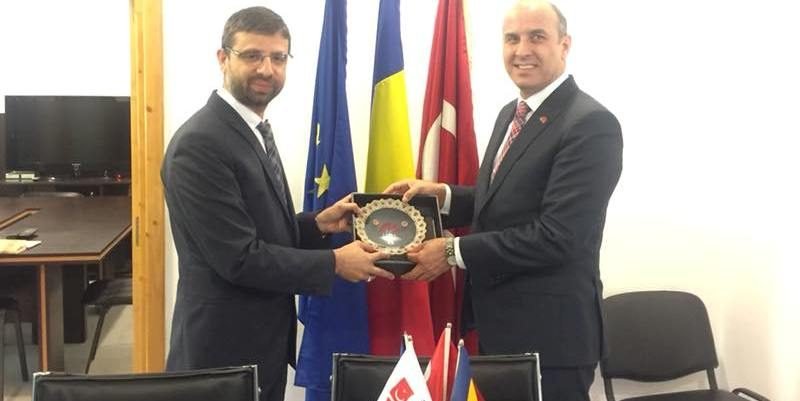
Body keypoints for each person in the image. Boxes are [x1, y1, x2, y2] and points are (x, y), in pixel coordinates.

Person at [385, 1, 623, 400]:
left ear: (564, 45)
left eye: (537, 37)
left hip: (552, 340)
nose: (522, 50)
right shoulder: (510, 114)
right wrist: (443, 195)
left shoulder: (590, 124)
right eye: (512, 39)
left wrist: (452, 252)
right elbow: (501, 201)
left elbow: (557, 236)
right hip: (498, 328)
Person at [161, 7, 393, 401]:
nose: (266, 69)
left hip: (259, 344)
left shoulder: (251, 129)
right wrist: (335, 263)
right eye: (252, 55)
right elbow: (239, 257)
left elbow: (257, 228)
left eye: (278, 57)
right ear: (223, 58)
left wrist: (316, 224)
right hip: (220, 353)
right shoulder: (200, 144)